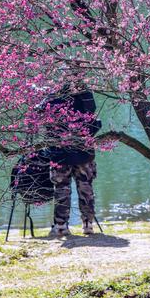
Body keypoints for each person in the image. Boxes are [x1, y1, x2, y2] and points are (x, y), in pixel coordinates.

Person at [45, 82, 102, 238]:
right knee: (86, 186)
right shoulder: (86, 94)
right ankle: (88, 223)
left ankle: (61, 225)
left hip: (60, 153)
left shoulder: (51, 96)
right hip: (84, 151)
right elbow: (93, 116)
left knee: (62, 188)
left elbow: (44, 120)